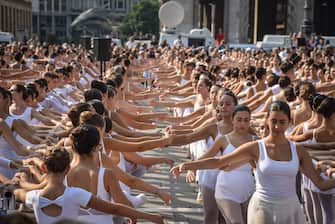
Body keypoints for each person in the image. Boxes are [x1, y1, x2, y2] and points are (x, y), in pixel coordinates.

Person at [171, 101, 335, 224]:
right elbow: (219, 161)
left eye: (282, 122)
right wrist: (187, 166)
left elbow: (320, 184)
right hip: (263, 206)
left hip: (290, 208)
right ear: (267, 120)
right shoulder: (256, 147)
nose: (277, 127)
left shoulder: (298, 150)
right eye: (273, 121)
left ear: (290, 123)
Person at [14, 147, 164, 224]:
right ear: (67, 169)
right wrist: (149, 216)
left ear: (44, 168)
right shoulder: (75, 194)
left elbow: (11, 192)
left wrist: (19, 180)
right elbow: (114, 208)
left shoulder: (32, 197)